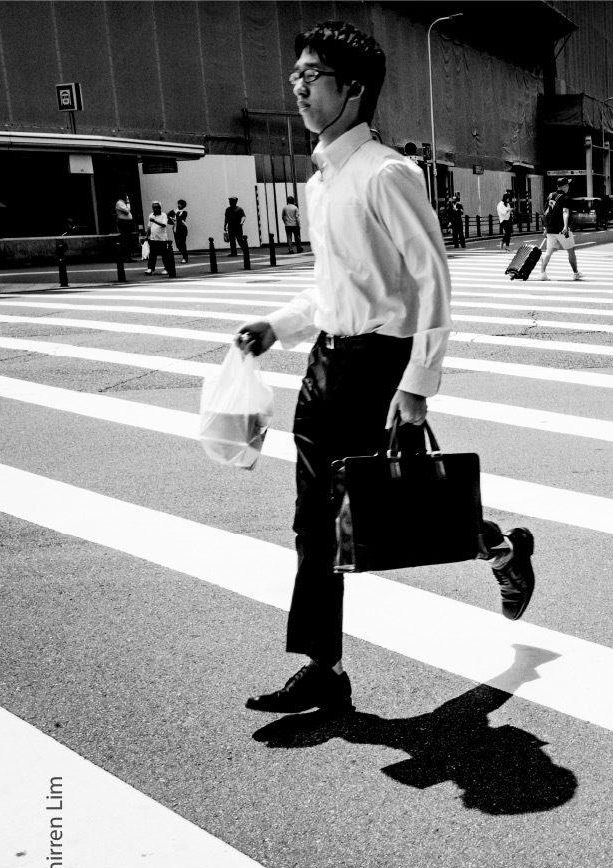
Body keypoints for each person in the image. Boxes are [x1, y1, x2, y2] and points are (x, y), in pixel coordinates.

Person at [234, 21, 536, 717]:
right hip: (326, 362)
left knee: (390, 509)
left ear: (354, 89)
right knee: (318, 522)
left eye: (313, 77)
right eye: (297, 77)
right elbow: (334, 286)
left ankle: (499, 549)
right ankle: (323, 669)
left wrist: (418, 384)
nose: (299, 88)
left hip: (379, 362)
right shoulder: (323, 179)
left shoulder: (386, 173)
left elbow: (431, 282)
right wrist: (275, 326)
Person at [536, 177, 582, 281]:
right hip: (562, 230)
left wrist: (545, 227)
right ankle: (576, 273)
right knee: (571, 251)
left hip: (550, 229)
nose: (568, 187)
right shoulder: (565, 198)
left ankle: (542, 273)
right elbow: (565, 212)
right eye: (568, 185)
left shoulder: (550, 195)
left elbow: (545, 212)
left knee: (548, 251)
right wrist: (565, 226)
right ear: (565, 186)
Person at [143, 201, 174, 275]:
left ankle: (167, 269)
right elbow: (149, 226)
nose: (155, 209)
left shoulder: (163, 215)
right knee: (152, 255)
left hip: (162, 238)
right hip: (153, 238)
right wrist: (147, 236)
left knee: (164, 255)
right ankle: (150, 268)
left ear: (160, 208)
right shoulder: (151, 215)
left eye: (157, 208)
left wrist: (155, 221)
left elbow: (164, 225)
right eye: (154, 208)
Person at [114, 193, 137, 259]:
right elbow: (127, 211)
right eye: (126, 197)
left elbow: (128, 210)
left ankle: (128, 256)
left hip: (127, 222)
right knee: (125, 239)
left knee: (128, 239)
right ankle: (126, 257)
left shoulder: (123, 203)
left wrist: (127, 204)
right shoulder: (120, 203)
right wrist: (128, 203)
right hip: (123, 223)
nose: (127, 198)